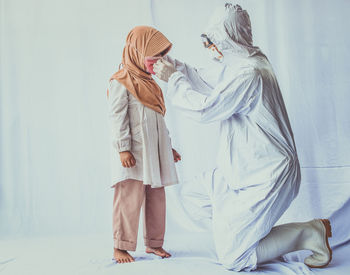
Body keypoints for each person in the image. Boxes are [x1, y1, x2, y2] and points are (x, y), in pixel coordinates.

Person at [153, 3, 332, 272]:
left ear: (228, 39)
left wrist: (175, 79)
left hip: (268, 175)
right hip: (242, 169)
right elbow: (204, 78)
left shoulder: (251, 73)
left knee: (233, 258)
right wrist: (172, 67)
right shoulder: (240, 63)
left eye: (212, 42)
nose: (209, 48)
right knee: (191, 197)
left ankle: (310, 232)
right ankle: (243, 231)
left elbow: (206, 109)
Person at [107, 26, 181, 264]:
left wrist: (168, 148)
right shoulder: (122, 82)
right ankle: (121, 246)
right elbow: (117, 117)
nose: (158, 61)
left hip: (155, 153)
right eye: (153, 56)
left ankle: (154, 243)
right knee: (129, 197)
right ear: (137, 53)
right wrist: (123, 148)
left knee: (157, 197)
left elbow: (159, 121)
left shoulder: (152, 84)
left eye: (161, 56)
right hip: (134, 153)